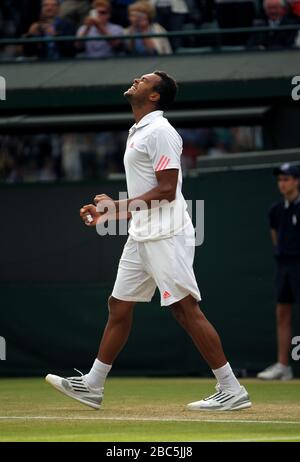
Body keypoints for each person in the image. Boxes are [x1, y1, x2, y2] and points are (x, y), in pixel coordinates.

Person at [45, 70, 252, 411]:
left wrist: (115, 209)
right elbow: (148, 190)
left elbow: (167, 191)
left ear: (155, 96)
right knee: (119, 305)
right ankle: (93, 385)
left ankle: (231, 388)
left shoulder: (160, 132)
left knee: (184, 309)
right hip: (142, 232)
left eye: (143, 80)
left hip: (166, 233)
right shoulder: (139, 130)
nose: (135, 81)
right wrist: (113, 211)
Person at [257, 163, 300, 380]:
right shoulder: (276, 210)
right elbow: (276, 238)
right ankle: (284, 365)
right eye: (280, 180)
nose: (282, 184)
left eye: (287, 179)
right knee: (282, 313)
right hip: (283, 266)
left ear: (296, 181)